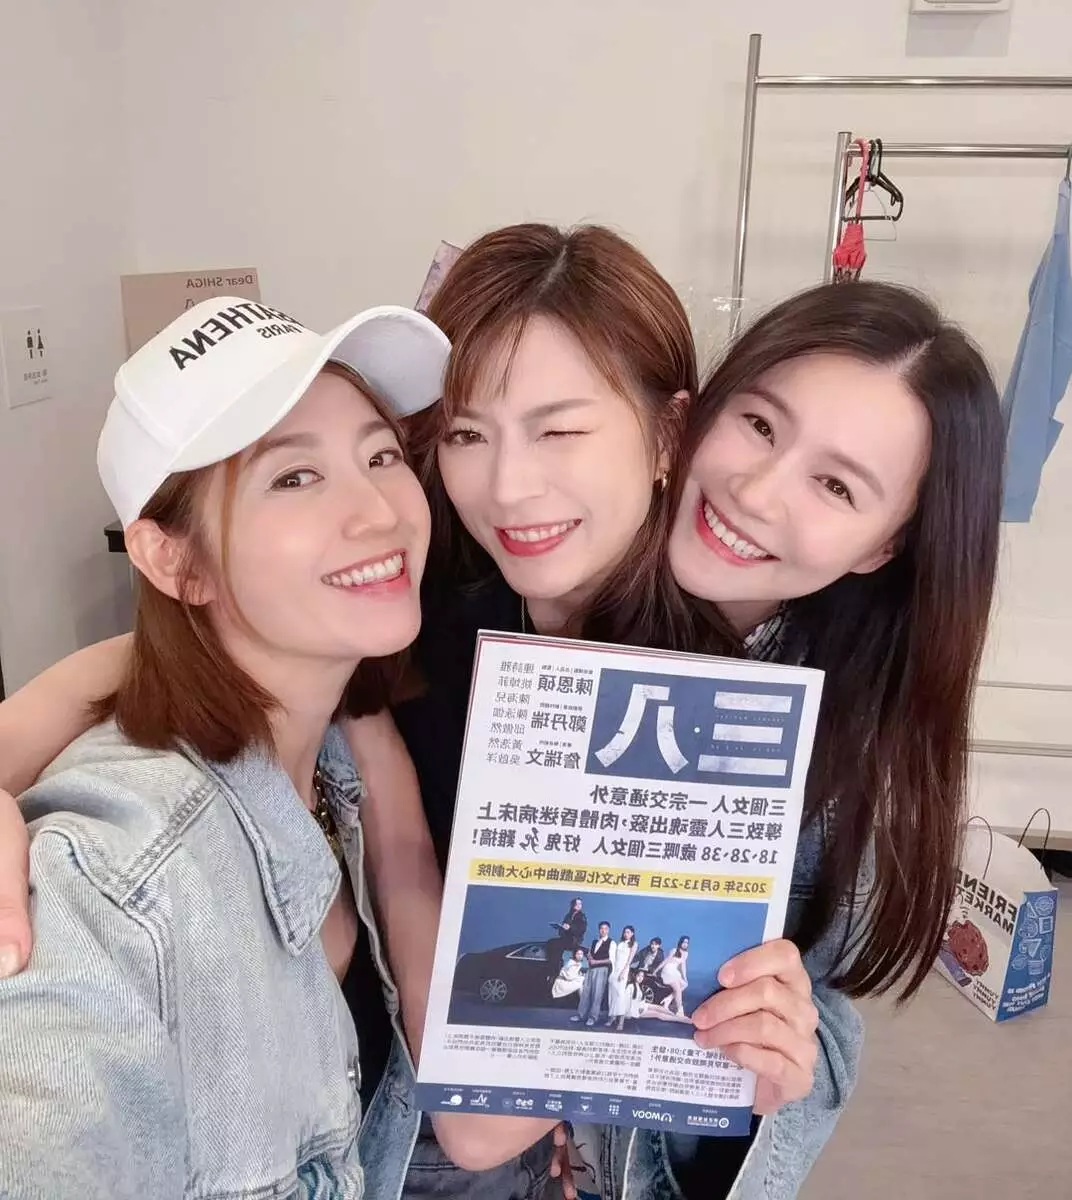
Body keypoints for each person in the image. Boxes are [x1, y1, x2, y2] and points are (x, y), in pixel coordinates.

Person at [0, 232, 1004, 1200]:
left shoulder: (719, 724)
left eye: (560, 430)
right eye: (467, 435)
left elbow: (490, 1108)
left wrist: (750, 1069)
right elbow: (222, 641)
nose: (510, 486)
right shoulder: (424, 587)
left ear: (664, 430)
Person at [0, 298, 559, 1197]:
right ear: (174, 560)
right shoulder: (116, 877)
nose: (378, 511)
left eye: (380, 455)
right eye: (294, 477)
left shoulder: (337, 752)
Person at [572, 921, 615, 1027]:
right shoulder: (595, 941)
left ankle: (592, 1018)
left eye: (605, 928)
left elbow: (611, 960)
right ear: (599, 930)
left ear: (608, 930)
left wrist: (596, 962)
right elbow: (590, 953)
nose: (603, 930)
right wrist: (590, 957)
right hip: (591, 969)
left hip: (602, 970)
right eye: (601, 928)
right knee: (585, 993)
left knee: (597, 995)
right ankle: (581, 1015)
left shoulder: (611, 943)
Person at [625, 971, 694, 1028]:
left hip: (641, 1005)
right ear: (635, 976)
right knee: (657, 1014)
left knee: (659, 1008)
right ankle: (679, 1019)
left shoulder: (639, 986)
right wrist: (629, 1013)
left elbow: (640, 1000)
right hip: (635, 1010)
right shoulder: (630, 986)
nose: (640, 978)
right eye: (638, 976)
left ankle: (676, 1016)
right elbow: (627, 1001)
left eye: (642, 976)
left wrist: (643, 1005)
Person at [546, 896, 588, 982]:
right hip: (565, 938)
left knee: (557, 945)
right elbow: (562, 930)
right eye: (576, 904)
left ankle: (555, 972)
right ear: (572, 905)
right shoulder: (568, 915)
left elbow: (581, 929)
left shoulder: (582, 916)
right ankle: (552, 968)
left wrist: (570, 928)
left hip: (574, 940)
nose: (578, 905)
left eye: (580, 904)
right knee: (551, 942)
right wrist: (561, 928)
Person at [606, 924, 638, 1028]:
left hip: (623, 970)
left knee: (620, 995)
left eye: (628, 932)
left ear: (632, 933)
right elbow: (614, 958)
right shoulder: (620, 943)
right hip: (615, 970)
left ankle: (621, 1021)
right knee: (612, 994)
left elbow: (630, 960)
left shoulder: (634, 944)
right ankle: (612, 1017)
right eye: (624, 932)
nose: (626, 934)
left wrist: (623, 972)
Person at [657, 935, 690, 1016]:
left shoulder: (686, 953)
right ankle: (680, 1010)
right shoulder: (674, 950)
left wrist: (685, 977)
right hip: (668, 971)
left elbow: (683, 966)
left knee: (685, 984)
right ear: (680, 942)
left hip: (674, 972)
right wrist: (656, 970)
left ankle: (667, 999)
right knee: (678, 989)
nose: (685, 944)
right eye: (684, 942)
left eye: (687, 943)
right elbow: (666, 961)